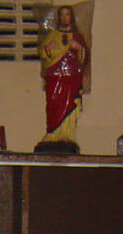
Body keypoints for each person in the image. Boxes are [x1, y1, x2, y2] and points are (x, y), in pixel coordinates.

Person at [37, 4, 89, 152]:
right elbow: (44, 55)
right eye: (62, 15)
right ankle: (53, 133)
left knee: (70, 105)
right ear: (58, 18)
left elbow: (84, 59)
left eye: (67, 15)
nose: (65, 18)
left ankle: (67, 135)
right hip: (55, 78)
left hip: (72, 79)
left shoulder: (78, 37)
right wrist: (48, 49)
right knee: (54, 104)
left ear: (71, 17)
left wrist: (79, 48)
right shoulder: (51, 37)